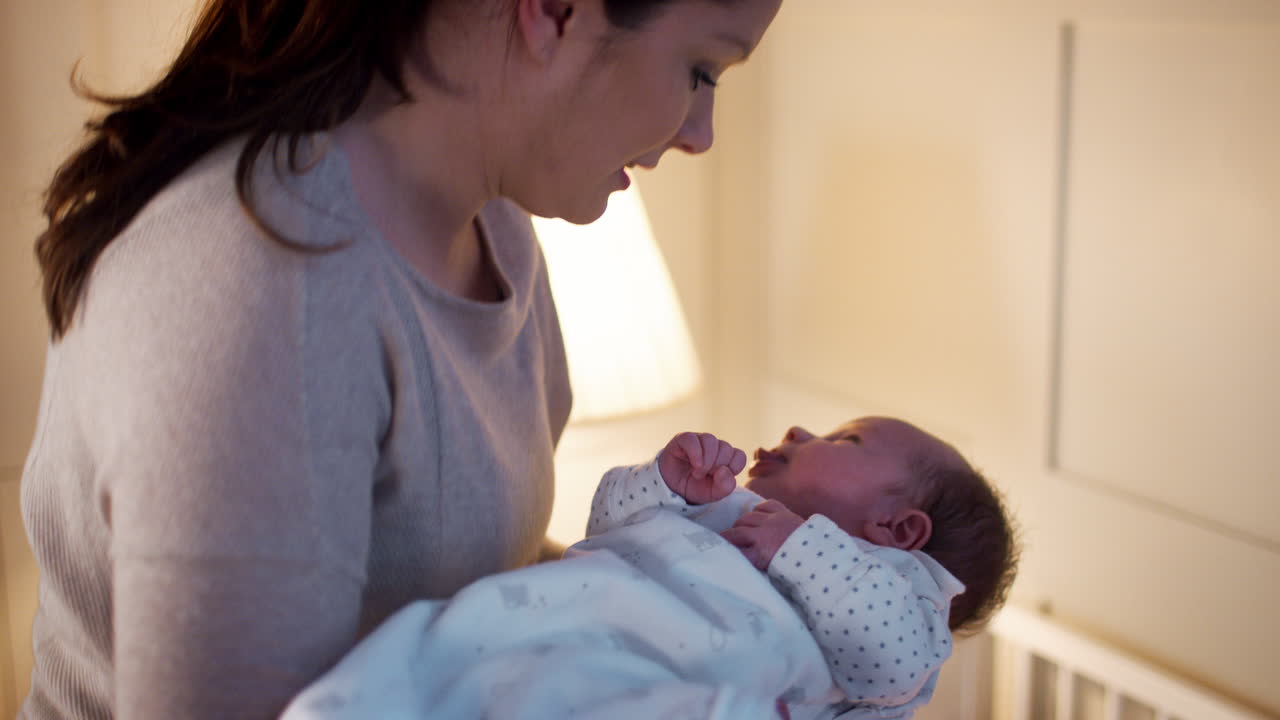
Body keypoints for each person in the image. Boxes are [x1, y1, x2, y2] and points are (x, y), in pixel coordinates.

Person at [17, 0, 783, 718]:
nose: (700, 133)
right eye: (703, 69)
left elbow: (473, 583)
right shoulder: (267, 291)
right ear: (553, 11)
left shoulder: (498, 228)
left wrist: (712, 603)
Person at [279, 416, 1018, 720]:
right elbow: (606, 530)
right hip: (556, 619)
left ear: (897, 529)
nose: (797, 429)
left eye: (843, 439)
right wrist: (666, 485)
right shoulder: (728, 508)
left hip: (676, 681)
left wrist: (800, 544)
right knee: (428, 649)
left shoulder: (903, 592)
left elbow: (886, 661)